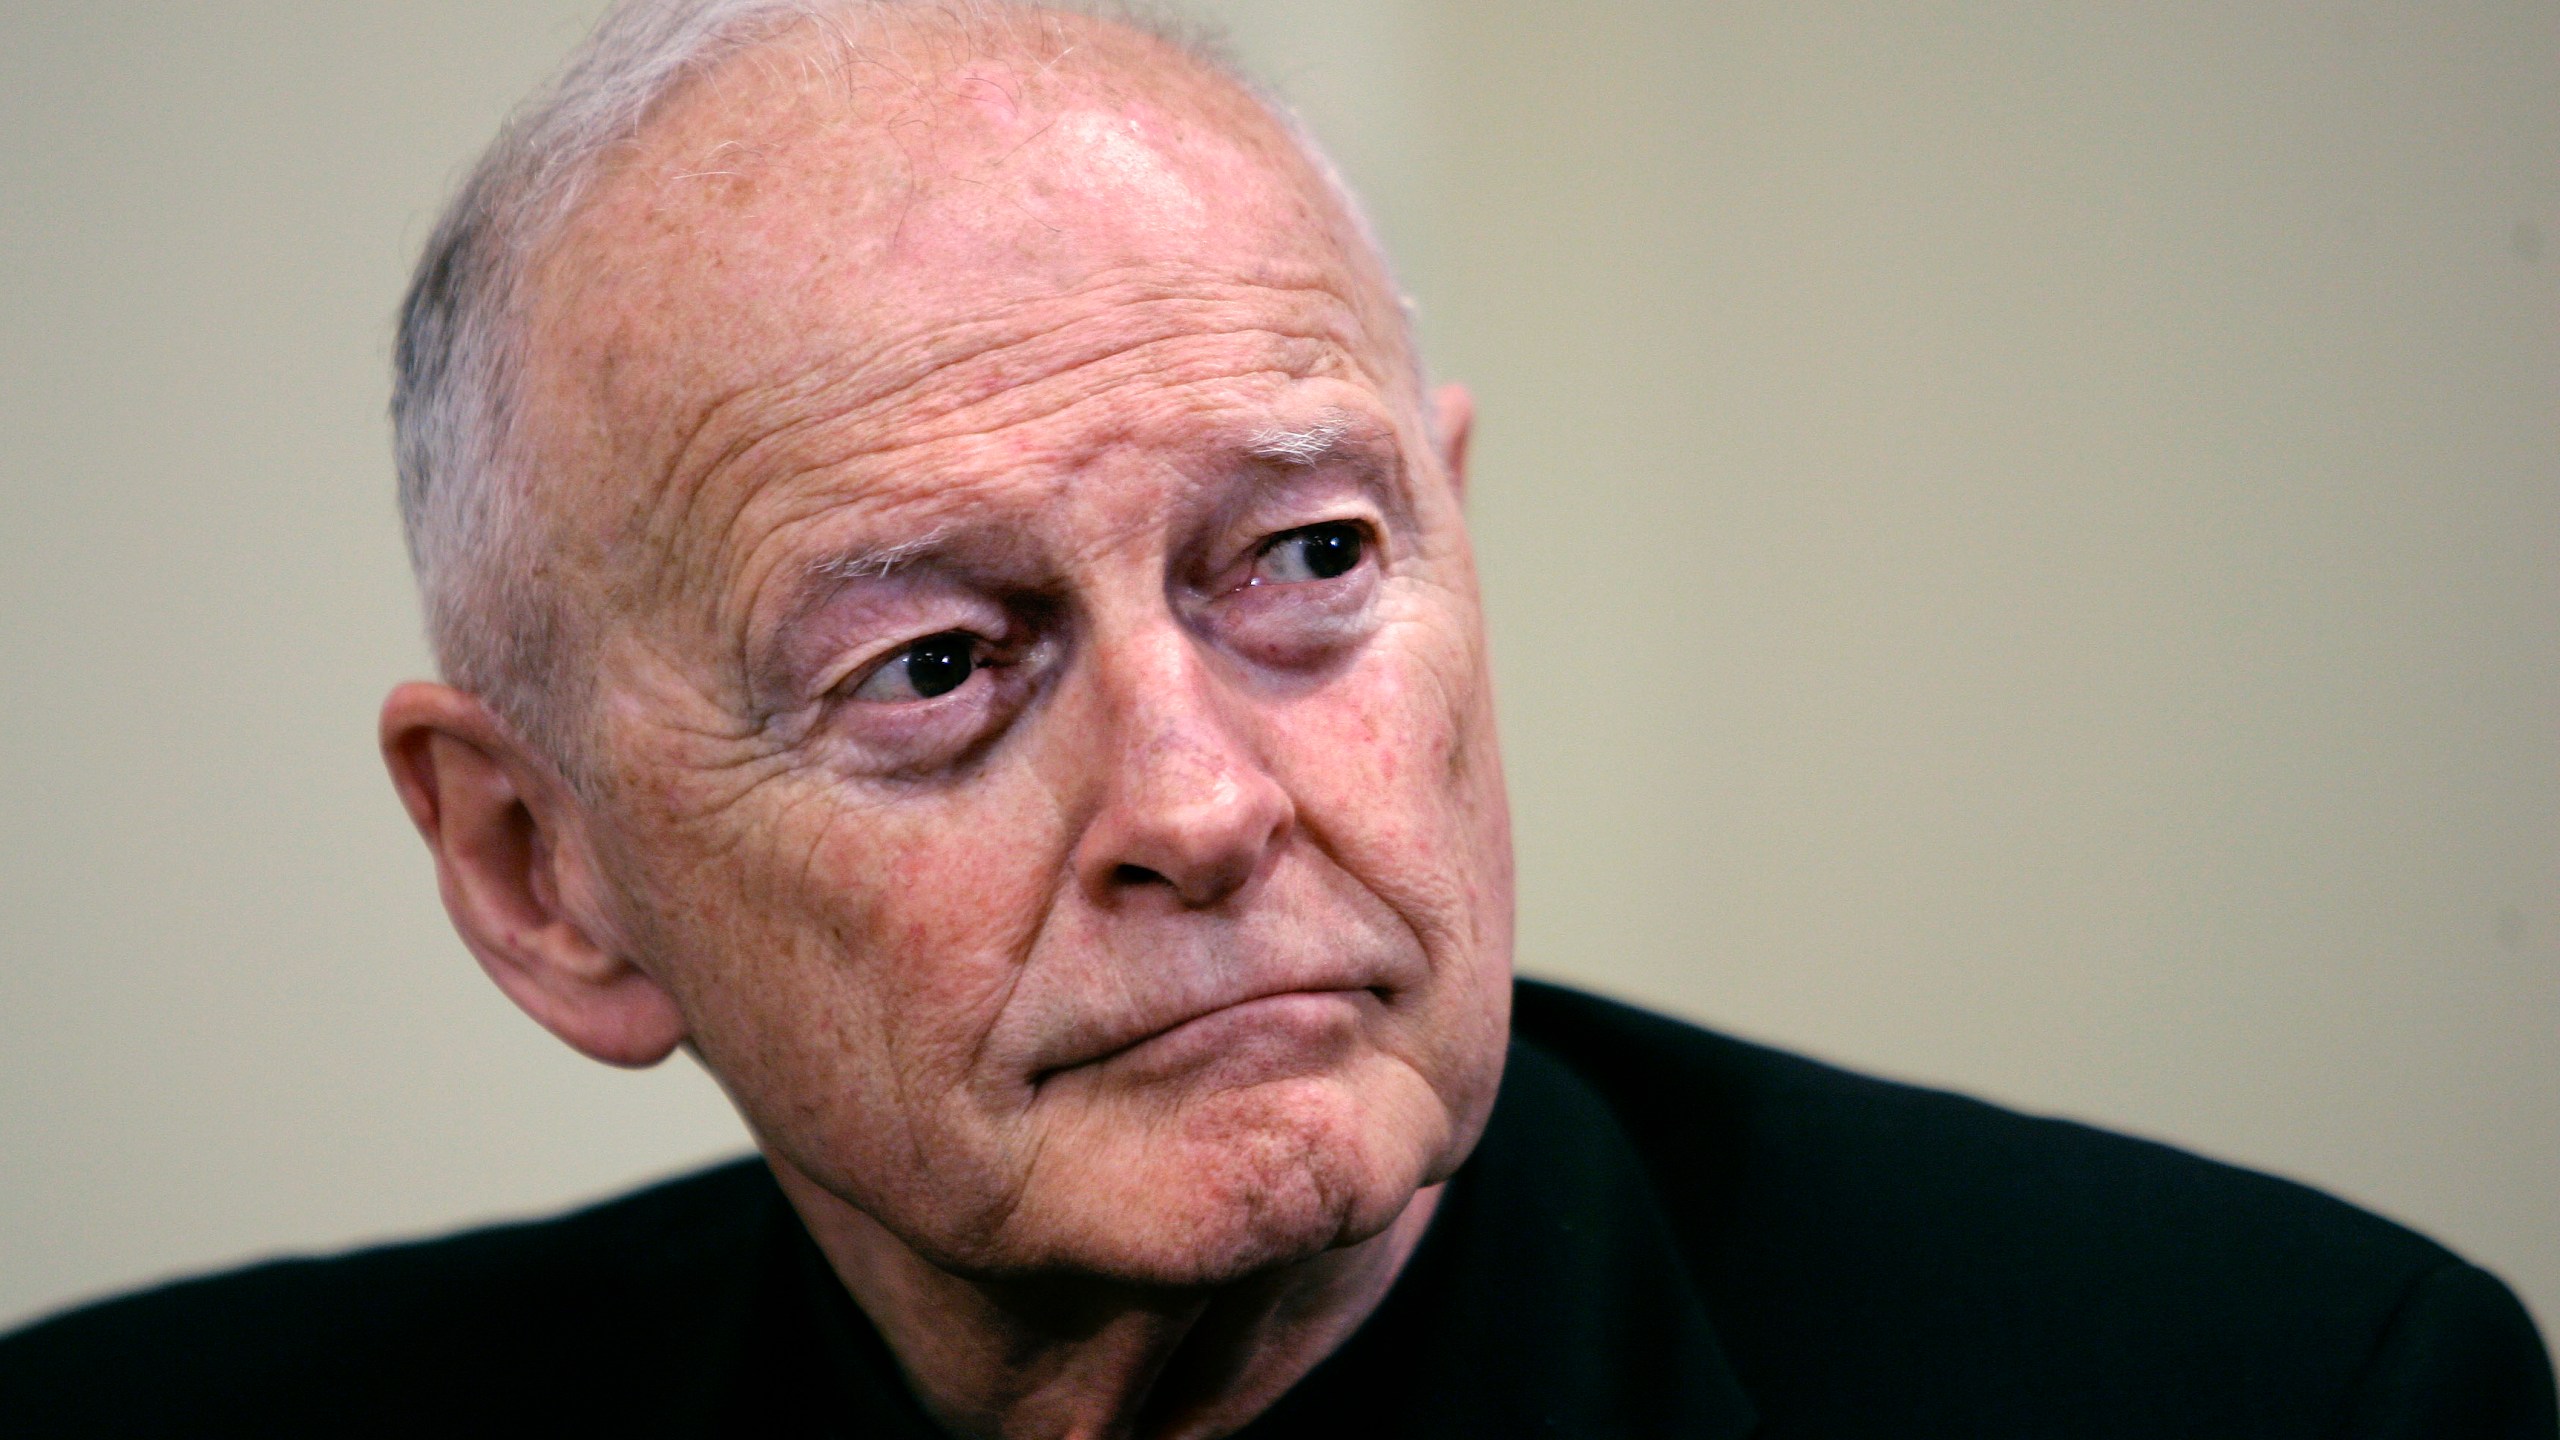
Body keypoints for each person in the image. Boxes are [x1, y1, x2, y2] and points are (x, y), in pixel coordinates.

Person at [2, 1, 2550, 1435]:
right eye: (929, 668)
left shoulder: (2274, 1416)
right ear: (539, 874)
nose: (1205, 805)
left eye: (1307, 563)